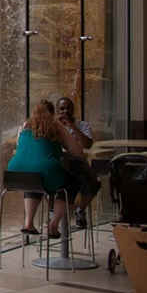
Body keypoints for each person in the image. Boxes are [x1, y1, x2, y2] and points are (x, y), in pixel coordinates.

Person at [7, 100, 85, 238]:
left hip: (13, 175)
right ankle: (53, 225)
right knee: (73, 182)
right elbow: (78, 152)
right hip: (44, 171)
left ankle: (28, 223)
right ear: (52, 114)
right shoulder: (55, 125)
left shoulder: (25, 126)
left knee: (34, 179)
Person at [56, 96, 100, 228]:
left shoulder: (82, 125)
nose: (65, 111)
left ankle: (80, 209)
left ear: (73, 110)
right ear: (57, 111)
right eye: (62, 109)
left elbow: (88, 144)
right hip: (59, 165)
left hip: (78, 164)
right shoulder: (53, 126)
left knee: (94, 183)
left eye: (68, 108)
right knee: (63, 185)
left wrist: (72, 126)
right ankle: (55, 213)